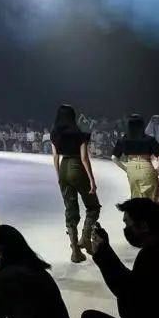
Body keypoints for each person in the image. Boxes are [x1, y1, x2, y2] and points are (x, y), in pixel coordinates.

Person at [50, 104, 100, 263]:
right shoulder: (79, 134)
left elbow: (55, 157)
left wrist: (59, 175)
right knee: (93, 206)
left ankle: (75, 252)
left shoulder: (54, 134)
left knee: (70, 210)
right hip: (77, 166)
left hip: (63, 167)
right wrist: (92, 179)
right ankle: (85, 238)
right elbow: (84, 158)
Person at [110, 114, 159, 200]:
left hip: (131, 169)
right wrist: (157, 172)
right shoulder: (150, 139)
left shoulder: (123, 139)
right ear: (142, 125)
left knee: (135, 199)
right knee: (150, 200)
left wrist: (126, 169)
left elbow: (113, 157)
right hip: (147, 167)